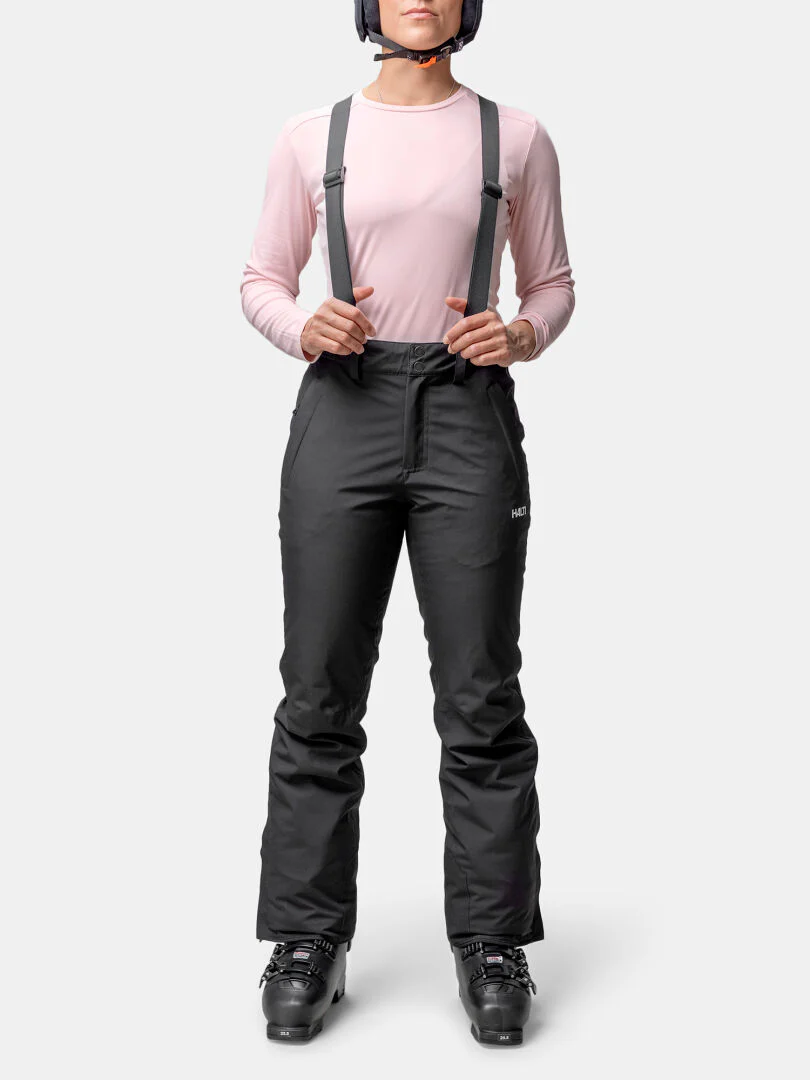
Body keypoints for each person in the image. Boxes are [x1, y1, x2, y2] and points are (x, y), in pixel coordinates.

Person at [240, 0, 575, 1046]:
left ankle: (492, 941)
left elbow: (554, 286)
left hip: (469, 413)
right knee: (318, 687)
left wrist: (521, 334)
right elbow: (259, 280)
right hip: (342, 410)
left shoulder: (515, 136)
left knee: (481, 691)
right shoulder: (313, 137)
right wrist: (304, 325)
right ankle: (307, 938)